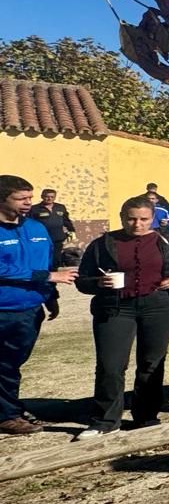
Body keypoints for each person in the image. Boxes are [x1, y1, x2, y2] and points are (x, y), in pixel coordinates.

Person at [72, 195, 169, 438]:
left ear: (153, 218)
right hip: (116, 307)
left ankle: (146, 415)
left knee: (151, 363)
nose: (137, 224)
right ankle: (105, 420)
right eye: (131, 219)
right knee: (110, 364)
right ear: (121, 218)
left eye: (143, 219)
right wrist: (98, 282)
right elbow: (83, 280)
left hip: (160, 304)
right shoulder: (104, 243)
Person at [1, 176, 77, 436]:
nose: (28, 203)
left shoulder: (36, 227)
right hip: (4, 309)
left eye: (29, 198)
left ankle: (8, 408)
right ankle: (8, 415)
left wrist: (50, 295)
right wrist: (46, 278)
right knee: (4, 364)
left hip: (31, 309)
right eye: (21, 199)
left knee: (13, 362)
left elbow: (46, 264)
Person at [27, 188, 75, 269]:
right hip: (42, 237)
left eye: (52, 197)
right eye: (47, 196)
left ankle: (54, 274)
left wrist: (72, 230)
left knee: (56, 257)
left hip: (58, 237)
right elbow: (29, 223)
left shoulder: (60, 207)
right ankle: (43, 272)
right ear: (42, 197)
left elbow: (66, 220)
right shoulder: (34, 209)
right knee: (43, 256)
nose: (49, 199)